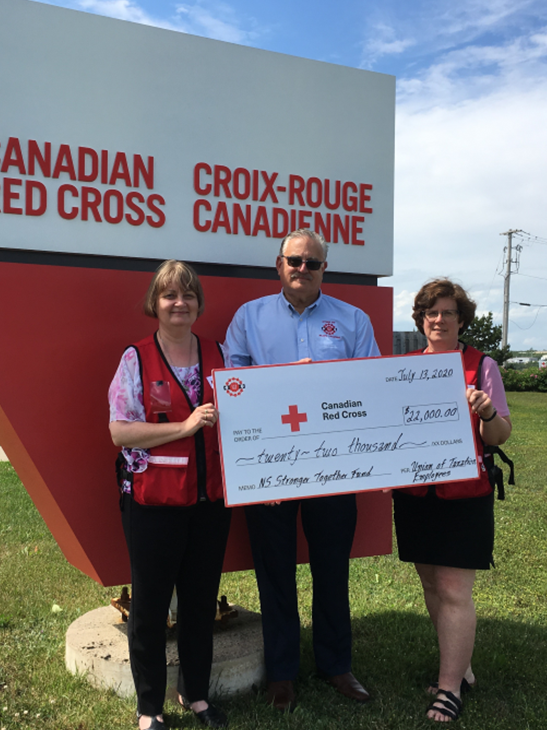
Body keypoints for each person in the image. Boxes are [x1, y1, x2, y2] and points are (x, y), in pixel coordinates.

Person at [225, 229, 379, 711]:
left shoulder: (352, 320)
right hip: (271, 468)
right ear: (279, 264)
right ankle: (282, 672)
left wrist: (324, 383)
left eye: (312, 263)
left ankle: (336, 665)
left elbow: (370, 385)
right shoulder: (248, 318)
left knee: (332, 569)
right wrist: (289, 382)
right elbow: (232, 388)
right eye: (295, 261)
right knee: (275, 572)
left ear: (323, 269)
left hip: (334, 467)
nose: (303, 269)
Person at [108, 260, 232, 730]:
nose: (179, 303)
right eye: (169, 295)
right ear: (154, 304)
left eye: (188, 295)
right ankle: (149, 708)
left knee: (200, 602)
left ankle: (196, 695)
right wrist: (182, 427)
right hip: (152, 503)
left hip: (210, 501)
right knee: (151, 606)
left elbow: (251, 414)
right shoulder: (135, 359)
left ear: (199, 303)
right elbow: (119, 431)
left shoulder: (221, 355)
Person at [393, 278, 512, 722]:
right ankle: (457, 663)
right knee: (430, 584)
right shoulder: (403, 367)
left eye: (448, 312)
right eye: (431, 313)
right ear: (421, 320)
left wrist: (485, 411)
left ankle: (449, 687)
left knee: (454, 589)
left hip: (464, 495)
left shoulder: (482, 366)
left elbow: (500, 436)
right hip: (415, 495)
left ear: (462, 320)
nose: (439, 320)